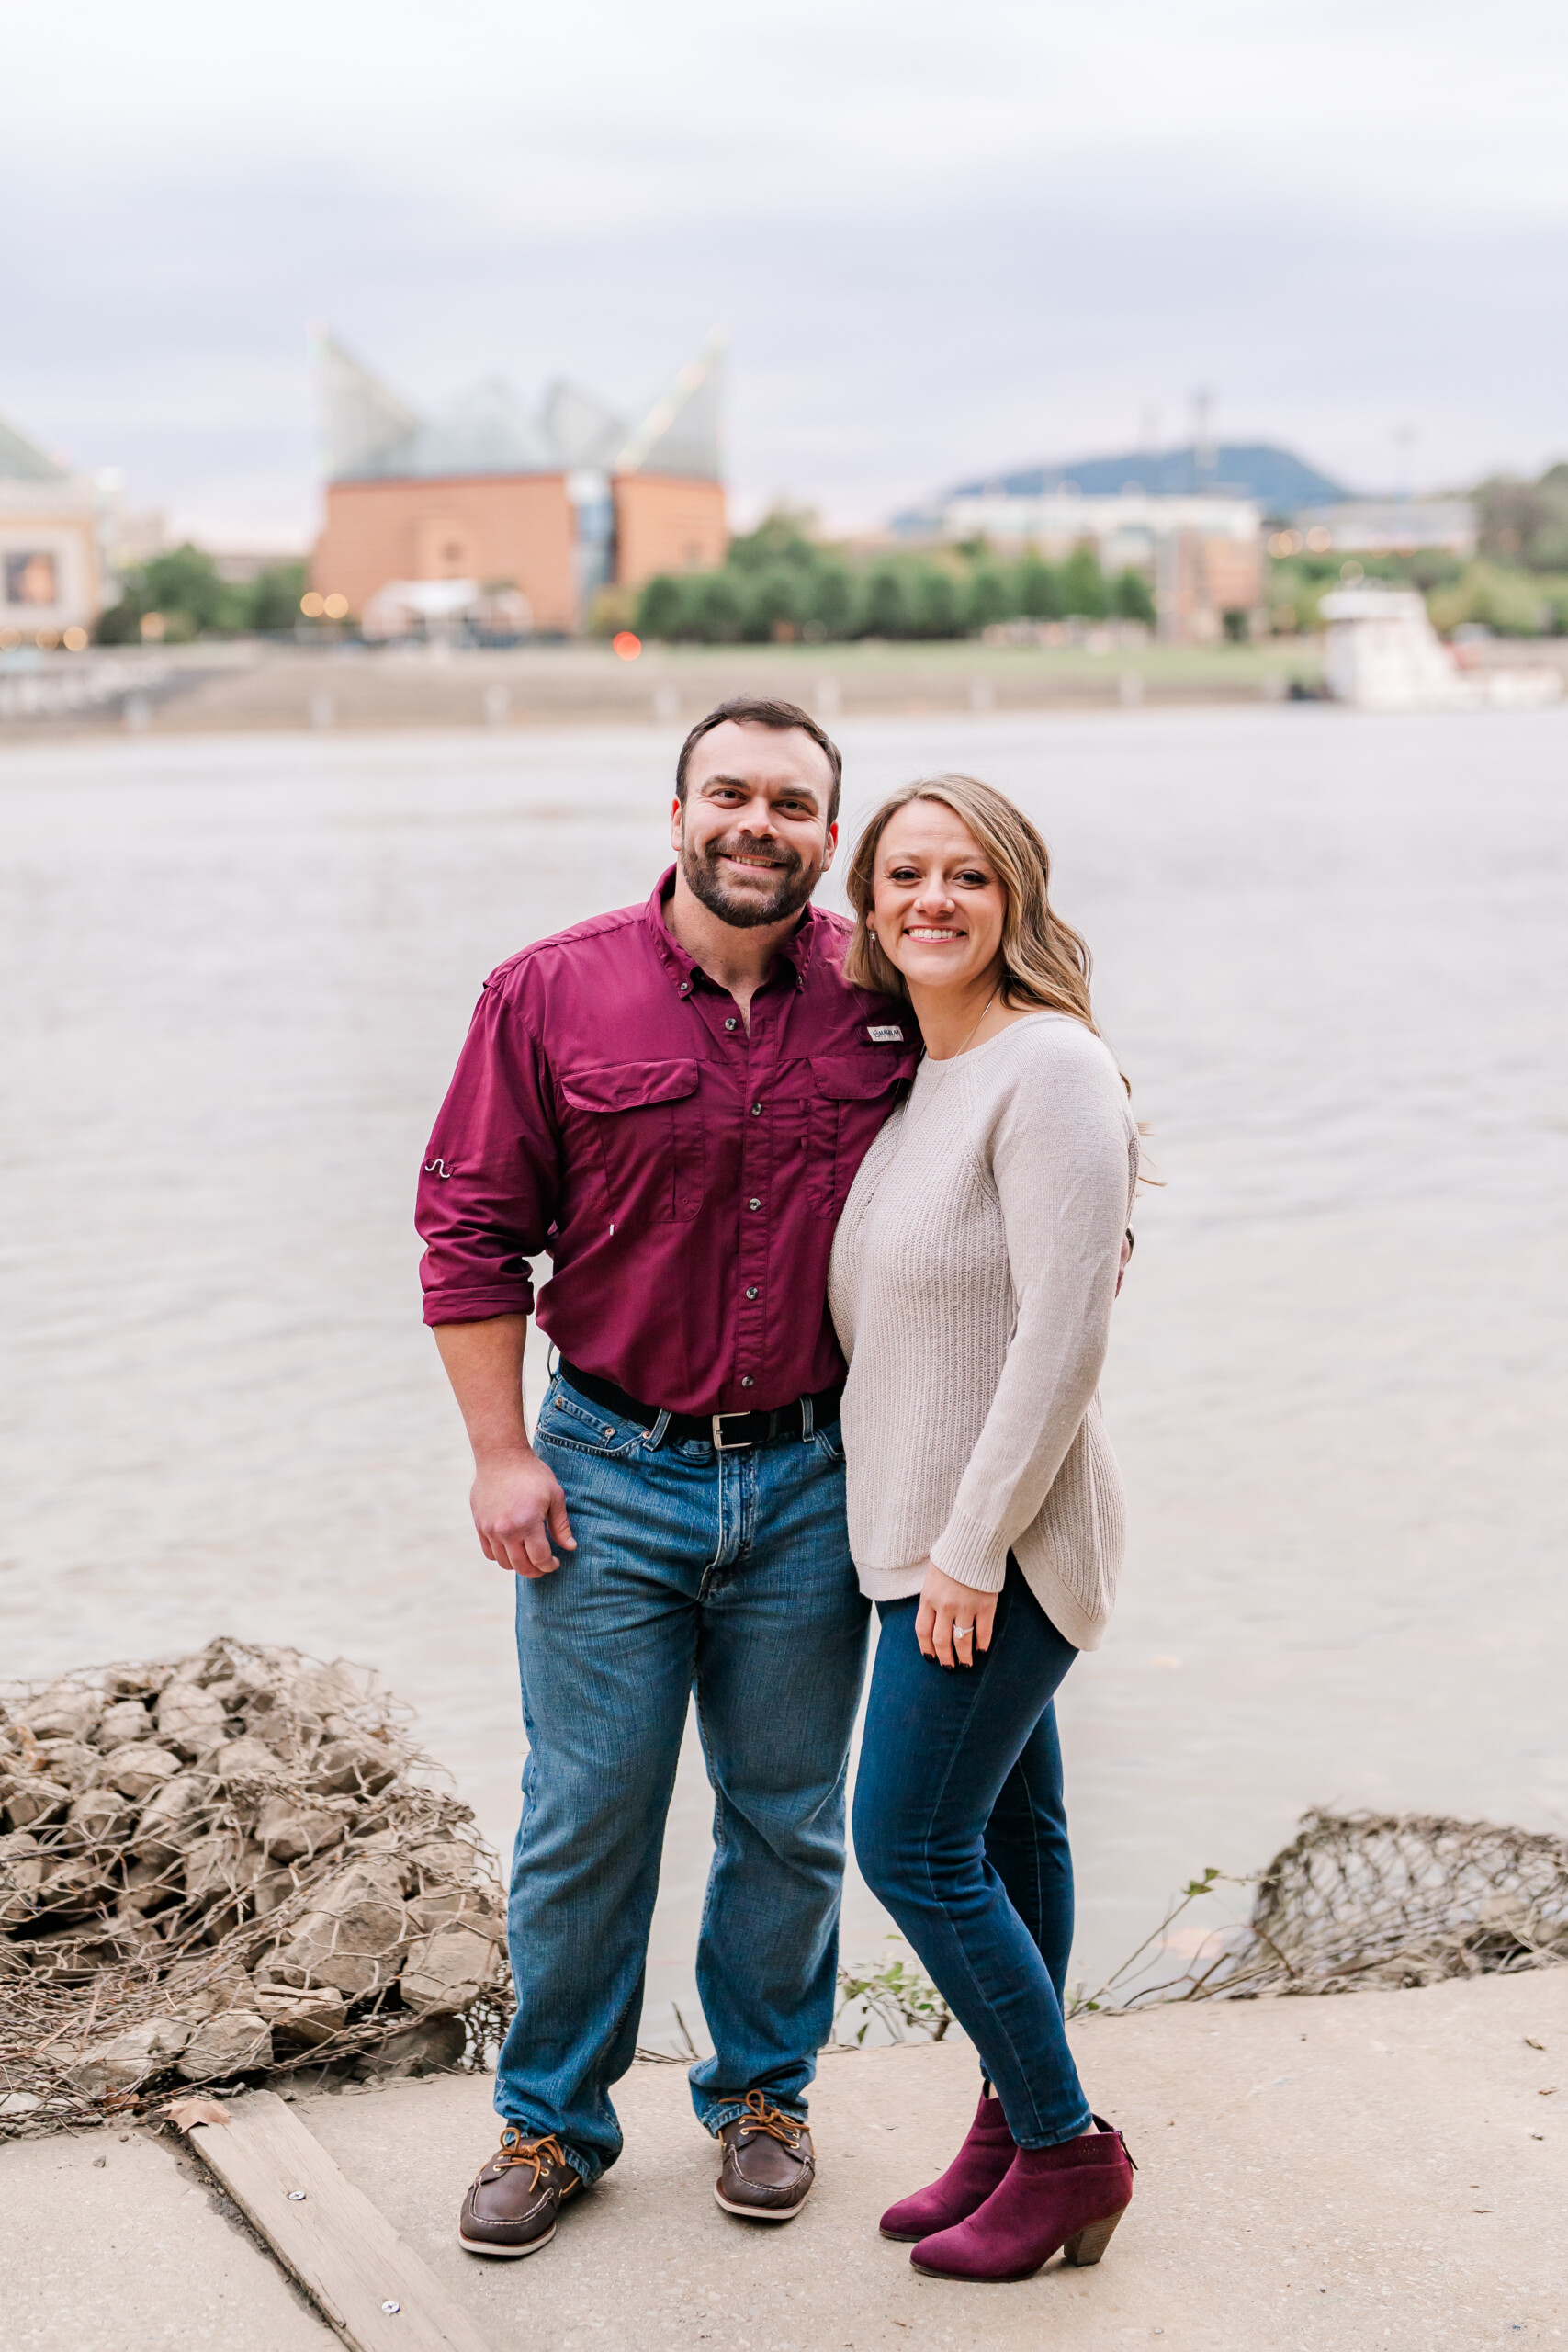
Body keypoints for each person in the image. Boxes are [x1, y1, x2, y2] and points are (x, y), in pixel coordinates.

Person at [415, 697, 916, 2257]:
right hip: (606, 1473)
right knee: (586, 1814)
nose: (755, 823)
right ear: (679, 812)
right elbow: (469, 1235)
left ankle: (763, 2097)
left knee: (786, 1817)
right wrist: (500, 1452)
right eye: (729, 794)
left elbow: (1015, 1147)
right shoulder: (551, 993)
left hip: (818, 1479)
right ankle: (551, 2123)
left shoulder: (892, 997)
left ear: (830, 836)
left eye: (790, 803)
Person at [827, 774, 1141, 2285]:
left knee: (913, 1842)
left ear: (1014, 891)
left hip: (995, 1543)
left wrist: (969, 1546)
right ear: (869, 905)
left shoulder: (1052, 1068)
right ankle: (1014, 2132)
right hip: (917, 1534)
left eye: (964, 875)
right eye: (902, 876)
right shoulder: (921, 1080)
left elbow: (1060, 1339)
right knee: (1012, 1835)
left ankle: (1071, 2146)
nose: (930, 900)